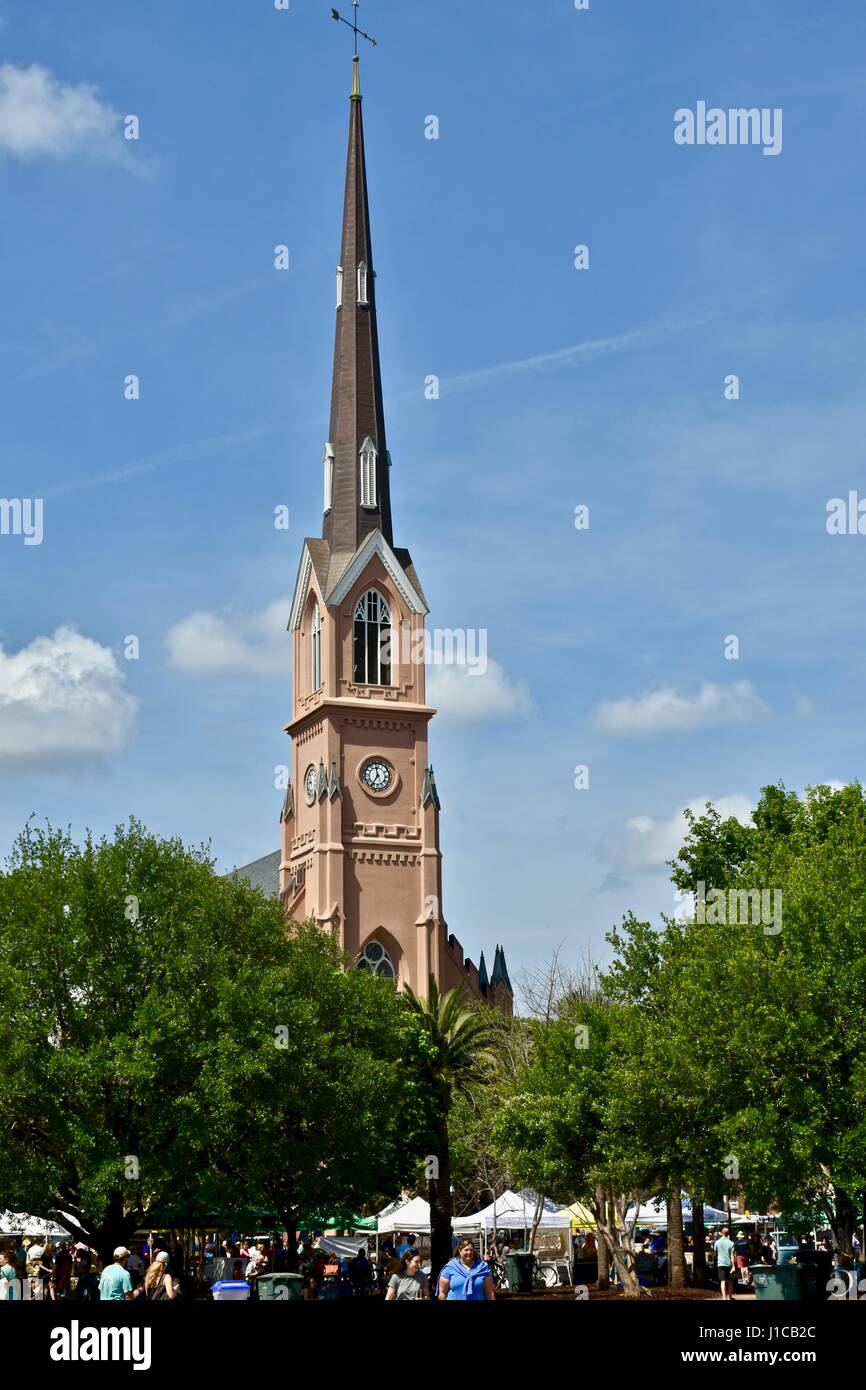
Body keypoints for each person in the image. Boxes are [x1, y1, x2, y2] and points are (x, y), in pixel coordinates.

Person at [714, 1227, 735, 1301]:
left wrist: (717, 1258)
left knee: (722, 1281)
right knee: (730, 1281)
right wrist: (733, 1266)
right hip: (728, 1264)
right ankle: (730, 1297)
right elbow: (732, 1256)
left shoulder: (717, 1242)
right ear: (728, 1234)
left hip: (720, 1263)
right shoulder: (731, 1243)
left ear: (721, 1233)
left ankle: (724, 1298)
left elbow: (715, 1254)